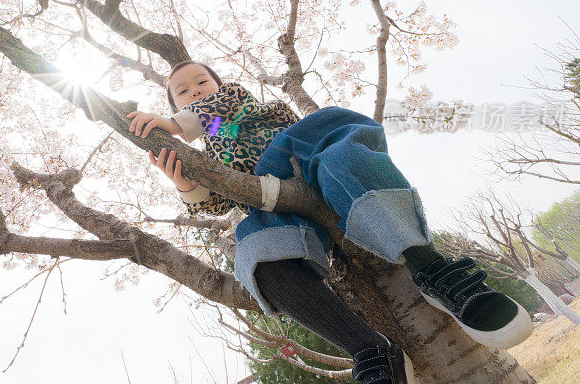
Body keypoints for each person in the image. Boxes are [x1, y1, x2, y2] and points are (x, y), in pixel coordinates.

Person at [127, 61, 532, 383]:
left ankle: (434, 272)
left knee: (335, 129)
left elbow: (221, 110)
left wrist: (179, 124)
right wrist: (188, 185)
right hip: (275, 205)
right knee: (255, 256)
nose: (195, 90)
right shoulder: (212, 142)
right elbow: (217, 201)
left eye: (201, 82)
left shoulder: (240, 105)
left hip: (306, 158)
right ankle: (370, 350)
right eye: (183, 90)